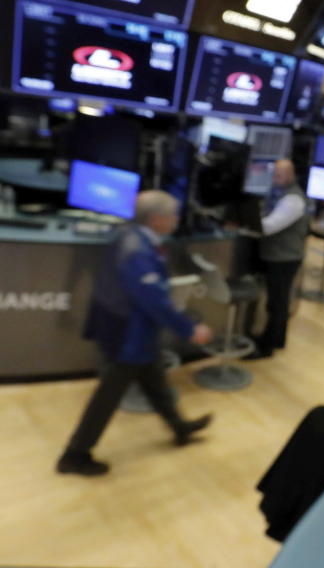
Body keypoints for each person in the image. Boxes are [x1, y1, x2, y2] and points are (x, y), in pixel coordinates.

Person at [57, 191, 214, 476]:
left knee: (155, 382)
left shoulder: (130, 236)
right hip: (127, 336)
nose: (177, 220)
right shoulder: (138, 251)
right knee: (107, 397)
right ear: (156, 220)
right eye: (173, 215)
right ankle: (74, 455)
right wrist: (190, 329)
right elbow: (153, 300)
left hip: (133, 332)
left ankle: (179, 428)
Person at [249, 159, 309, 359]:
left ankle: (268, 347)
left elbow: (269, 226)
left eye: (280, 175)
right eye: (274, 175)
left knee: (277, 303)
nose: (275, 179)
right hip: (277, 255)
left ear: (291, 175)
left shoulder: (293, 199)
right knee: (276, 301)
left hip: (285, 258)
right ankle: (276, 340)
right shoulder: (279, 192)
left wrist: (245, 222)